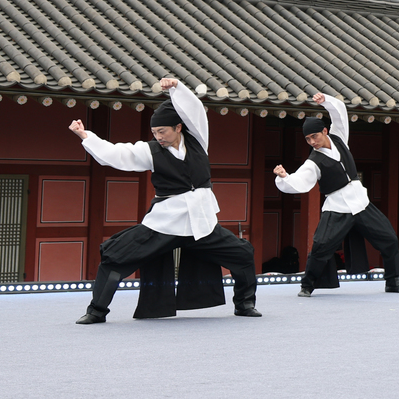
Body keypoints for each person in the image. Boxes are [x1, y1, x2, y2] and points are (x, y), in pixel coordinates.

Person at [71, 78, 260, 323]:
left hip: (201, 224)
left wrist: (177, 88)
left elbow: (194, 110)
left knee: (243, 254)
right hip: (165, 223)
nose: (158, 136)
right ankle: (96, 311)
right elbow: (117, 154)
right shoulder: (150, 150)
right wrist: (86, 136)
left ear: (178, 127)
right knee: (115, 255)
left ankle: (244, 304)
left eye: (162, 131)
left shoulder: (198, 140)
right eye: (154, 132)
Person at [273, 92, 399, 297]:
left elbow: (340, 114)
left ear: (325, 131)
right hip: (337, 206)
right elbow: (300, 181)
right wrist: (284, 177)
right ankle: (307, 285)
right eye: (308, 139)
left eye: (315, 136)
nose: (312, 142)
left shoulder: (339, 138)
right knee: (321, 246)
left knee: (389, 238)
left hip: (360, 202)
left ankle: (393, 282)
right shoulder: (313, 162)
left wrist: (326, 101)